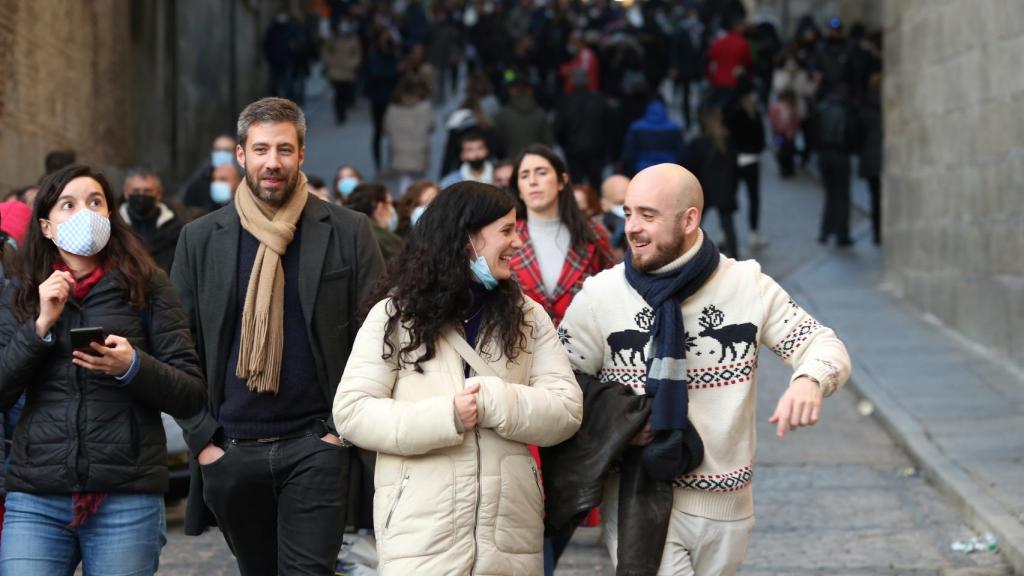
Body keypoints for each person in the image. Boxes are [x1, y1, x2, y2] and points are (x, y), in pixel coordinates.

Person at [558, 163, 851, 575]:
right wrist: (622, 418)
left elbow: (823, 344)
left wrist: (809, 380)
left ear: (690, 219)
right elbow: (560, 381)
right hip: (638, 497)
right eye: (628, 213)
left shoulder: (746, 285)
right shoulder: (600, 295)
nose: (632, 228)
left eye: (648, 215)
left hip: (727, 504)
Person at [169, 97, 385, 575]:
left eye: (284, 149)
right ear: (241, 155)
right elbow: (177, 346)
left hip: (317, 446)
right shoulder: (201, 239)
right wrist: (205, 440)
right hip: (232, 450)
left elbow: (378, 337)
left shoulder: (349, 232)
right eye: (261, 149)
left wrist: (337, 434)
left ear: (302, 155)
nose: (273, 162)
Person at [333, 180, 583, 576]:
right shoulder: (395, 316)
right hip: (421, 536)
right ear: (467, 237)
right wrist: (445, 417)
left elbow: (566, 409)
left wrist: (497, 401)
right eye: (506, 231)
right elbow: (352, 411)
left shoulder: (528, 316)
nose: (517, 243)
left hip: (509, 541)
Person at [0, 164, 206, 575]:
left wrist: (132, 366)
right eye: (68, 205)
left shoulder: (147, 285)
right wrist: (39, 327)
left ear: (110, 215)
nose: (84, 214)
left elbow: (190, 392)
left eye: (95, 203)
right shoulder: (21, 291)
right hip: (37, 493)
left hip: (125, 494)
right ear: (45, 226)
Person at [510, 145, 616, 329]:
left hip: (585, 348)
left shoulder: (592, 234)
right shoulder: (506, 238)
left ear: (562, 181)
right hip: (523, 349)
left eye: (541, 172)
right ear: (518, 188)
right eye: (524, 175)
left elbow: (615, 293)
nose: (533, 181)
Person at [690, 107, 740, 258]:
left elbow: (692, 168)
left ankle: (688, 254)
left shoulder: (699, 143)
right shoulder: (728, 141)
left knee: (693, 224)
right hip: (725, 189)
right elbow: (735, 168)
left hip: (704, 189)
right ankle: (735, 256)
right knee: (728, 225)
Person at [119, 167, 186, 274]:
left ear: (159, 194)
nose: (141, 196)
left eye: (147, 191)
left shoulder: (176, 229)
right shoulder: (113, 227)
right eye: (136, 191)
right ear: (126, 193)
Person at [814, 85, 858, 246]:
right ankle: (841, 234)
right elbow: (853, 133)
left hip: (825, 155)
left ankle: (826, 231)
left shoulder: (822, 109)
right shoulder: (846, 111)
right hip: (840, 155)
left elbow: (813, 132)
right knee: (842, 196)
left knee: (830, 194)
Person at [726, 81, 767, 249]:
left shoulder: (730, 112)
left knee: (730, 196)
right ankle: (753, 233)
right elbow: (761, 139)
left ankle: (725, 232)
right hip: (751, 160)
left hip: (734, 160)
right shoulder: (753, 114)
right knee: (753, 198)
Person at [554, 70, 610, 188]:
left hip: (574, 151)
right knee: (596, 185)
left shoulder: (565, 101)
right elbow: (609, 127)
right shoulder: (599, 99)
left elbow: (558, 128)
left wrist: (566, 145)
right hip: (595, 150)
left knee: (576, 186)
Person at [384, 77, 436, 194]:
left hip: (399, 148)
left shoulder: (393, 108)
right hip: (419, 147)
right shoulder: (425, 107)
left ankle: (406, 204)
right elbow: (432, 126)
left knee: (404, 180)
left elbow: (386, 128)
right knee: (421, 182)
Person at [621, 99, 688, 177]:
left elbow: (629, 154)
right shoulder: (675, 128)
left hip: (642, 171)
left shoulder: (636, 127)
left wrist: (629, 173)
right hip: (669, 171)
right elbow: (682, 154)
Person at [493, 81, 553, 162]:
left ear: (511, 91)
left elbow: (497, 145)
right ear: (529, 90)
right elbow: (549, 142)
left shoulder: (501, 116)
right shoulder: (540, 114)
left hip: (511, 162)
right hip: (536, 160)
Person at [345, 183, 403, 262]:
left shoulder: (349, 234)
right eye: (390, 203)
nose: (393, 209)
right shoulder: (385, 243)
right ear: (380, 207)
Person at [181, 134, 238, 213]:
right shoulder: (201, 177)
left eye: (227, 150)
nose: (222, 154)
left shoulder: (245, 177)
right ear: (212, 152)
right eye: (218, 150)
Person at [321, 18, 363, 124]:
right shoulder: (333, 38)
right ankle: (339, 114)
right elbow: (326, 50)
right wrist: (329, 61)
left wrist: (353, 63)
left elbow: (357, 53)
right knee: (338, 93)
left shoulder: (353, 39)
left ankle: (343, 111)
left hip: (348, 70)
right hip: (335, 69)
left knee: (345, 92)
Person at [706, 15, 752, 109]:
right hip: (734, 81)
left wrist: (711, 76)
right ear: (738, 27)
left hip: (718, 80)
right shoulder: (742, 42)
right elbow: (747, 62)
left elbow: (709, 58)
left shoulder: (719, 41)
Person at [858, 74, 883, 245]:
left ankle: (876, 233)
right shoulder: (886, 108)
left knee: (875, 198)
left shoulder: (864, 109)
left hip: (870, 159)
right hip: (882, 158)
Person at [600, 174, 630, 253]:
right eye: (620, 203)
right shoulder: (595, 231)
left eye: (630, 202)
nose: (627, 208)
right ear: (604, 204)